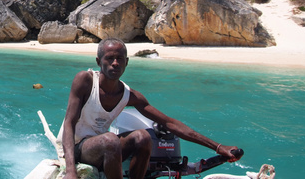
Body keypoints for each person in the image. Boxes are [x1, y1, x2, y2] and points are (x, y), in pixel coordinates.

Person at [59, 38, 241, 179]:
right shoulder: (85, 80)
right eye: (109, 58)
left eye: (120, 59)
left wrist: (217, 147)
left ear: (127, 62)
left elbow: (170, 123)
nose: (115, 63)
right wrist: (70, 170)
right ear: (99, 61)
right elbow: (69, 122)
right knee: (110, 139)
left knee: (144, 137)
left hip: (103, 147)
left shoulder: (129, 95)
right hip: (77, 148)